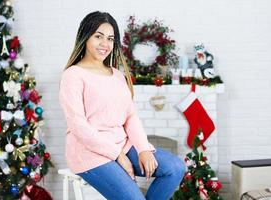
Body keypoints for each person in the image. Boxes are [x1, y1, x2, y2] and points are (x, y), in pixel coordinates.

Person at [59, 11, 185, 200]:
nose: (105, 44)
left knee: (175, 168)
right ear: (85, 36)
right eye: (98, 36)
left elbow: (130, 117)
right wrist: (118, 155)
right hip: (89, 154)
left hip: (122, 145)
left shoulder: (117, 76)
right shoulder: (73, 75)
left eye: (110, 39)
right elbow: (78, 126)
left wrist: (143, 149)